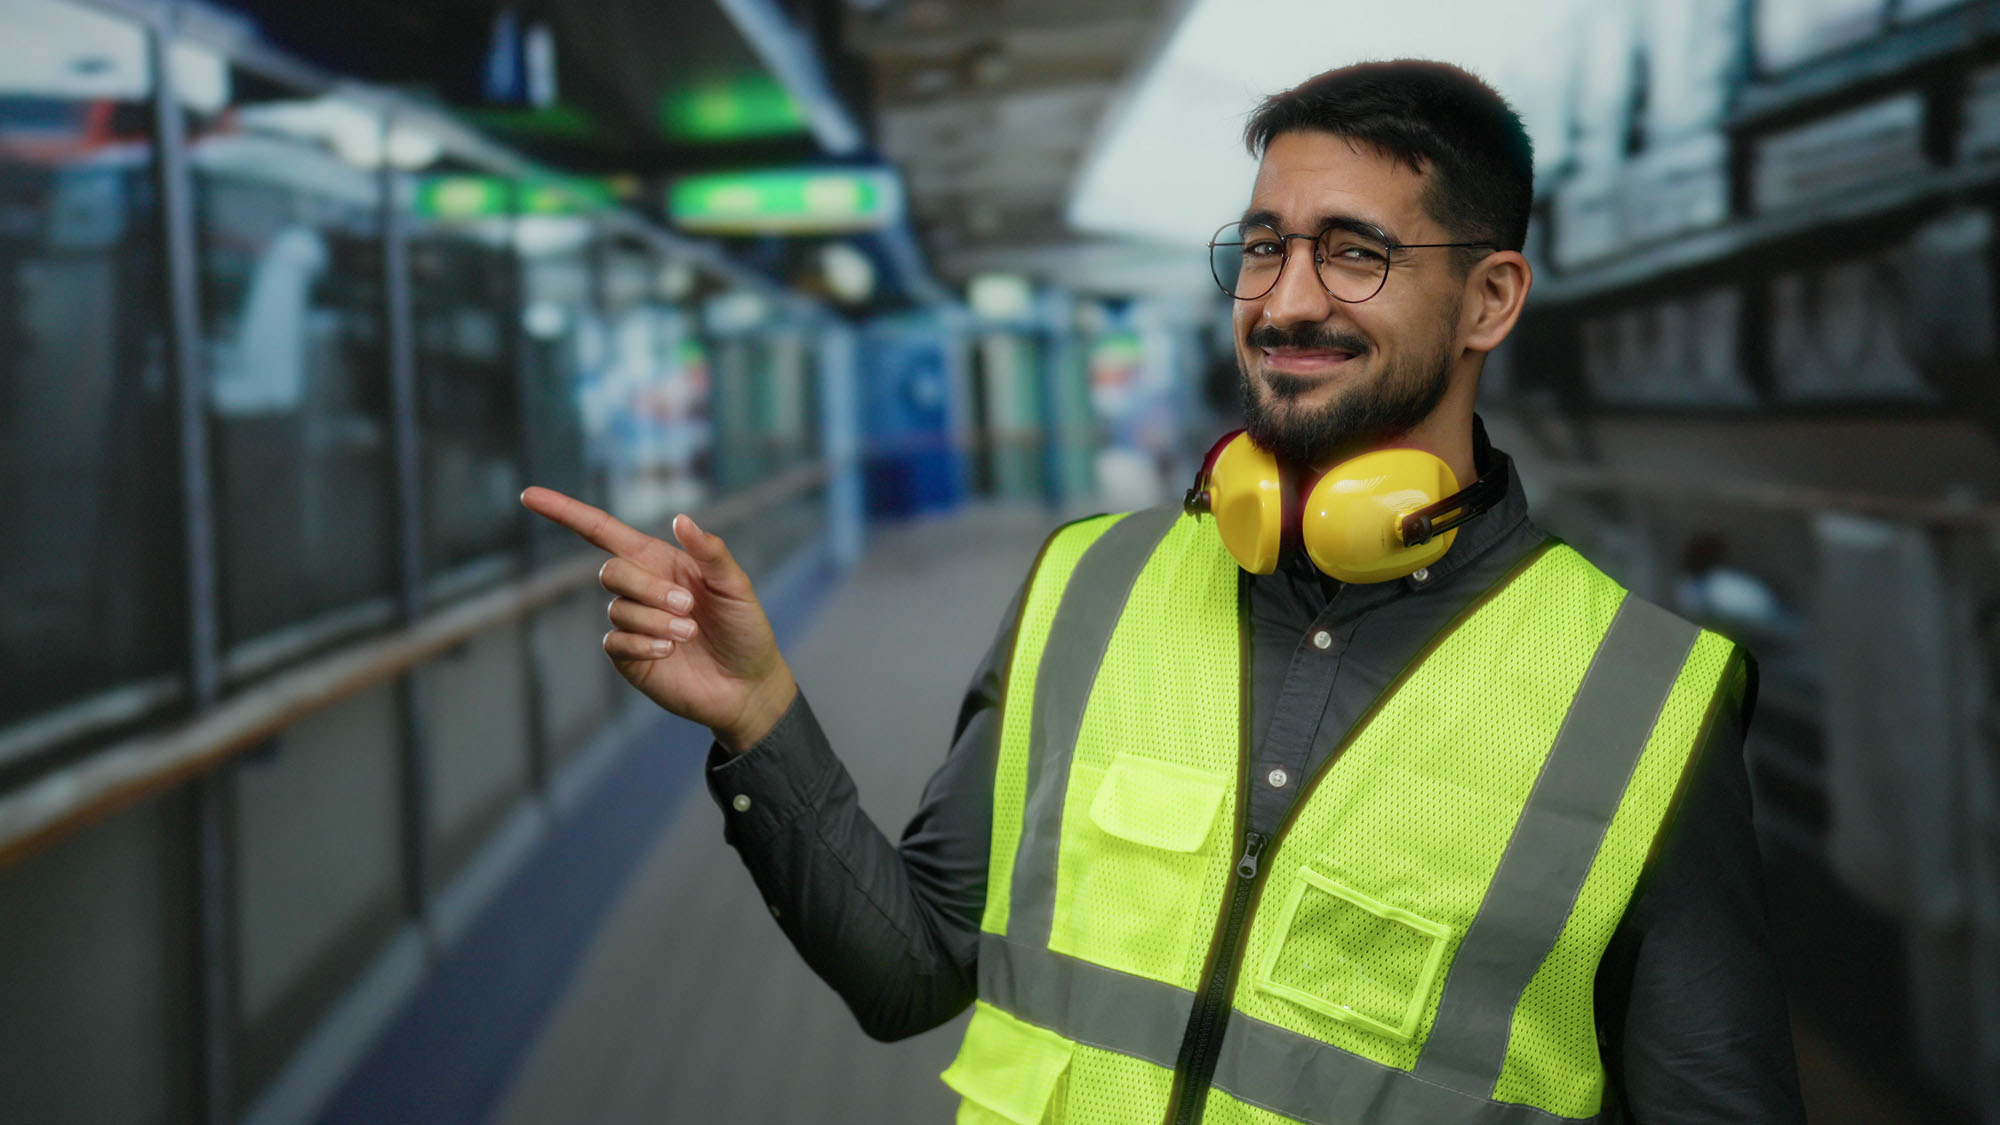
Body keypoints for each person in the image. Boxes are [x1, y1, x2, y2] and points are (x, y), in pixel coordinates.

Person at [522, 59, 1803, 1125]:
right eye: (1261, 248)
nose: (1284, 299)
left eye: (1355, 254)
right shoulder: (1087, 584)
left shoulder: (1645, 701)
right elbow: (912, 973)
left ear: (1489, 298)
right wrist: (759, 720)